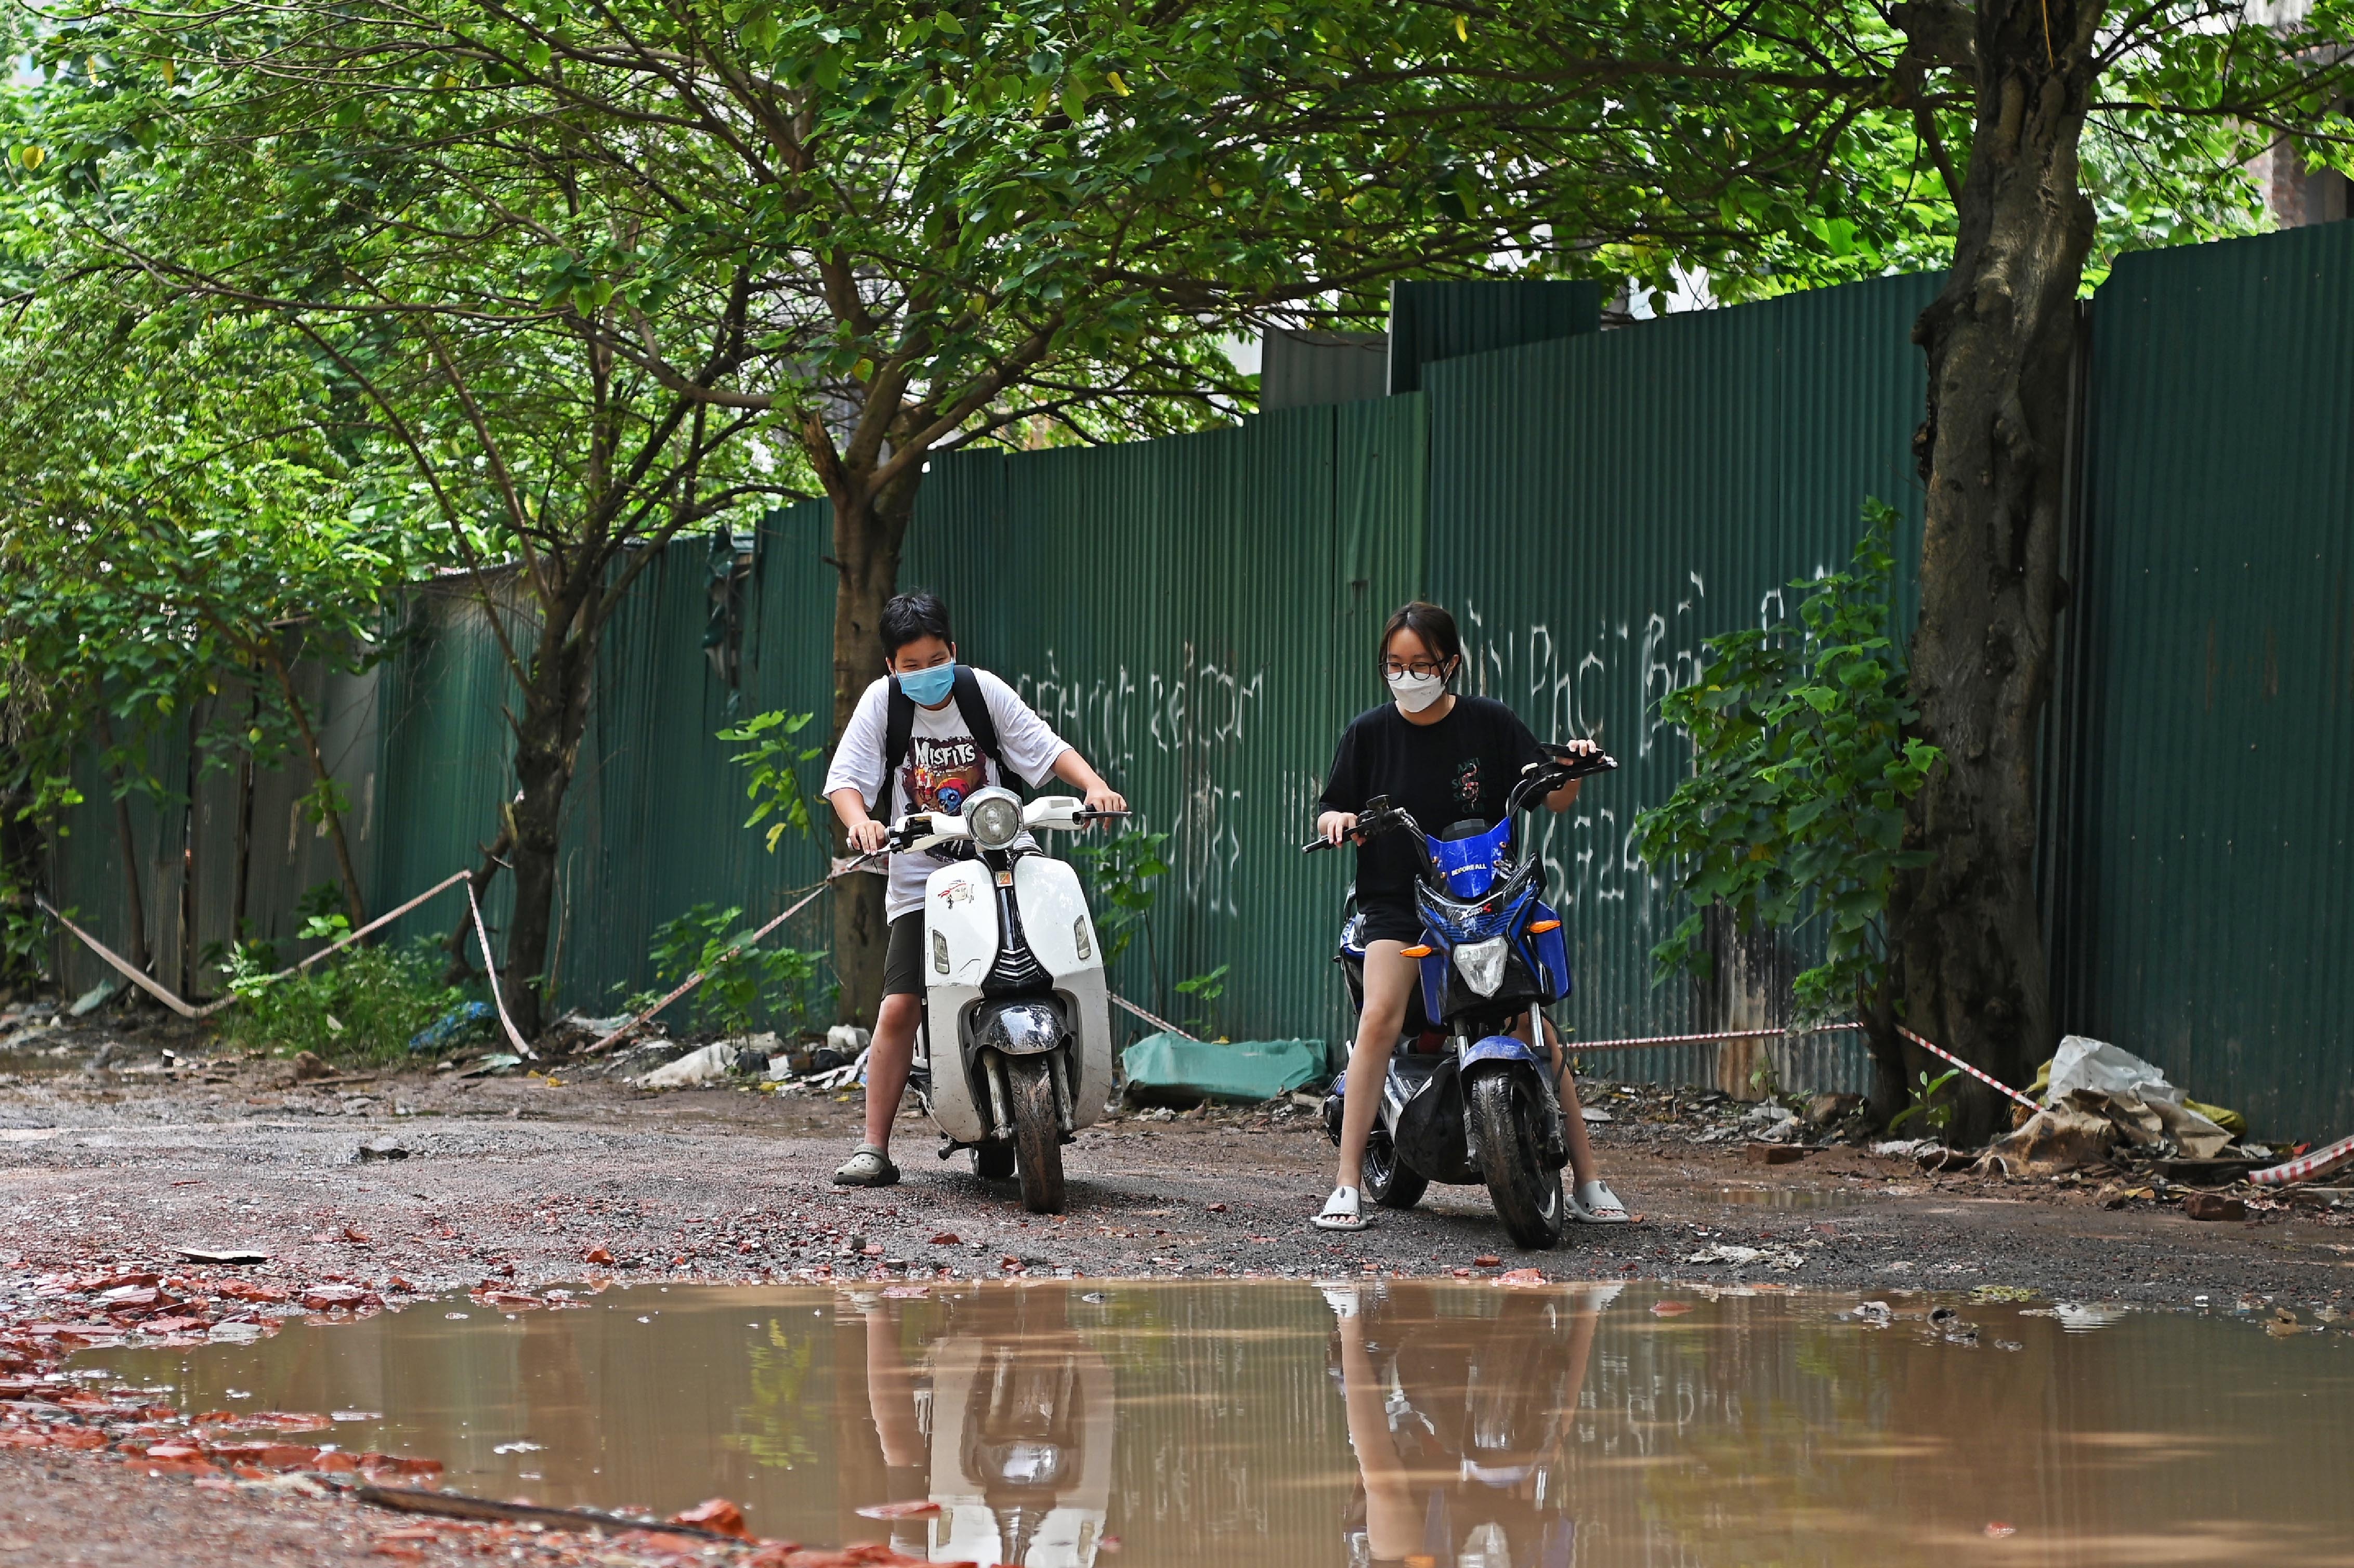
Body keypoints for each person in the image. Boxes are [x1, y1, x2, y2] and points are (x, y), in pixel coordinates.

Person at [1312, 600, 1629, 1232]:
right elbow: (1330, 808)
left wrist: (1571, 766)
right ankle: (1346, 1183)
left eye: (1421, 664)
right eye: (1393, 665)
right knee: (1379, 1016)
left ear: (1451, 664)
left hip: (1487, 896)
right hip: (1399, 903)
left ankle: (1590, 1180)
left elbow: (1555, 795)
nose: (1406, 676)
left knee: (1531, 1022)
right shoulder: (1367, 733)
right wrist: (1339, 821)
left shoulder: (1490, 723)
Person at [821, 592, 1126, 1188]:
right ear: (890, 666)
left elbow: (1044, 747)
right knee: (900, 1005)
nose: (926, 672)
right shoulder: (882, 706)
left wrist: (1095, 786)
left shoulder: (981, 691)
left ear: (953, 652)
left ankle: (1069, 1079)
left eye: (936, 658)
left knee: (1057, 965)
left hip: (1006, 857)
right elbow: (845, 782)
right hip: (922, 878)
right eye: (910, 664)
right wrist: (860, 820)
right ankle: (873, 1147)